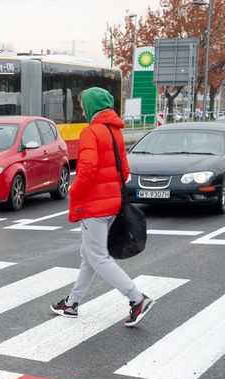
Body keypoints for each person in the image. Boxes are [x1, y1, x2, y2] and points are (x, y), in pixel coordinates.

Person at [50, 87, 154, 327]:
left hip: (94, 206)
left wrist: (73, 191)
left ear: (91, 106)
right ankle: (71, 304)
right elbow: (124, 171)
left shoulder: (91, 133)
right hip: (111, 203)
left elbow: (86, 170)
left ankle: (137, 299)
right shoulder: (114, 132)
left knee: (98, 257)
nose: (82, 109)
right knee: (89, 256)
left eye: (83, 105)